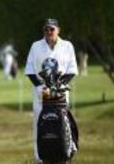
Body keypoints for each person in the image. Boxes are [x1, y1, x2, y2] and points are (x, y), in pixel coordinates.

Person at [25, 18, 78, 163]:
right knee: (39, 122)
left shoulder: (67, 46)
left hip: (60, 92)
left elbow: (72, 70)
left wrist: (60, 86)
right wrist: (40, 87)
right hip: (41, 92)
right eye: (46, 29)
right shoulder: (35, 46)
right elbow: (29, 70)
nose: (49, 32)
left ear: (58, 30)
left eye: (52, 29)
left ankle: (64, 152)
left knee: (64, 121)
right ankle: (40, 157)